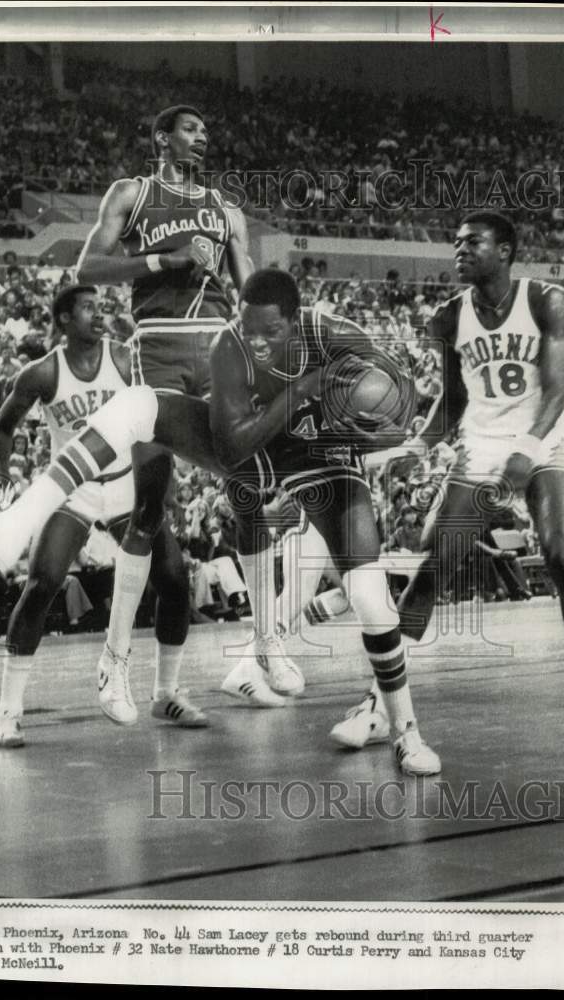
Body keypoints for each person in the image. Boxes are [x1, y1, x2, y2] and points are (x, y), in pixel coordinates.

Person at [333, 211, 564, 754]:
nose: (460, 251)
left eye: (473, 243)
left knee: (562, 551)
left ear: (506, 250)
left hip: (547, 436)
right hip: (483, 444)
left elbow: (556, 392)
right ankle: (379, 705)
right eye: (456, 243)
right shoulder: (448, 316)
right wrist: (416, 446)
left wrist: (528, 450)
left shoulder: (546, 300)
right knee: (436, 562)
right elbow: (453, 403)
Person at [75, 103, 296, 709]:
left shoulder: (226, 209)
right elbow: (86, 266)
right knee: (150, 504)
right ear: (162, 137)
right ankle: (113, 660)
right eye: (190, 129)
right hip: (158, 348)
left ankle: (264, 643)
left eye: (206, 129)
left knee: (249, 486)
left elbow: (249, 286)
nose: (202, 137)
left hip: (219, 350)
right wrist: (164, 261)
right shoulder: (132, 192)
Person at [208, 268, 439, 775]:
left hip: (328, 457)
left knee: (367, 596)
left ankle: (406, 732)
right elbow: (231, 448)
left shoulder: (334, 334)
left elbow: (403, 400)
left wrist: (370, 430)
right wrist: (305, 388)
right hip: (265, 453)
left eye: (271, 331)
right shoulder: (229, 346)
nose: (258, 342)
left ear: (296, 320)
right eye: (250, 329)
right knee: (282, 544)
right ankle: (260, 651)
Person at [0, 285, 208, 748]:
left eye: (99, 306)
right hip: (75, 488)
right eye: (87, 308)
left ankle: (165, 693)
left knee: (173, 579)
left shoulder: (126, 360)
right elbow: (3, 429)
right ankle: (8, 709)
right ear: (64, 319)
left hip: (126, 482)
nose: (97, 314)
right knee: (42, 583)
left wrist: (163, 486)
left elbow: (159, 417)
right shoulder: (43, 372)